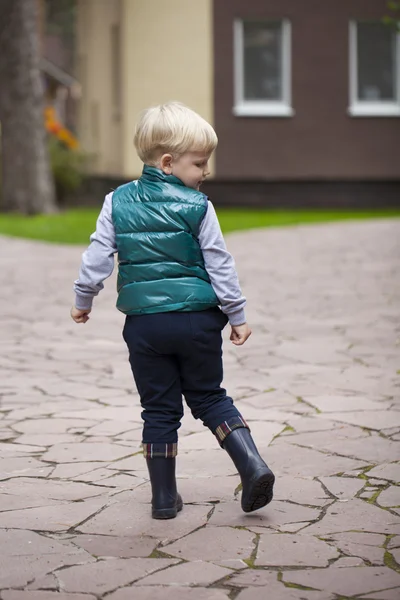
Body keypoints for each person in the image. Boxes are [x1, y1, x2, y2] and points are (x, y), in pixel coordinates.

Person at [71, 102, 275, 519]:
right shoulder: (199, 206)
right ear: (168, 162)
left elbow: (97, 257)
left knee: (159, 410)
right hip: (197, 322)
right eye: (200, 163)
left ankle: (164, 499)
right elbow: (220, 263)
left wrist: (83, 299)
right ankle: (251, 465)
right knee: (210, 397)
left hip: (145, 327)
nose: (205, 173)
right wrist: (237, 314)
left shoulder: (116, 201)